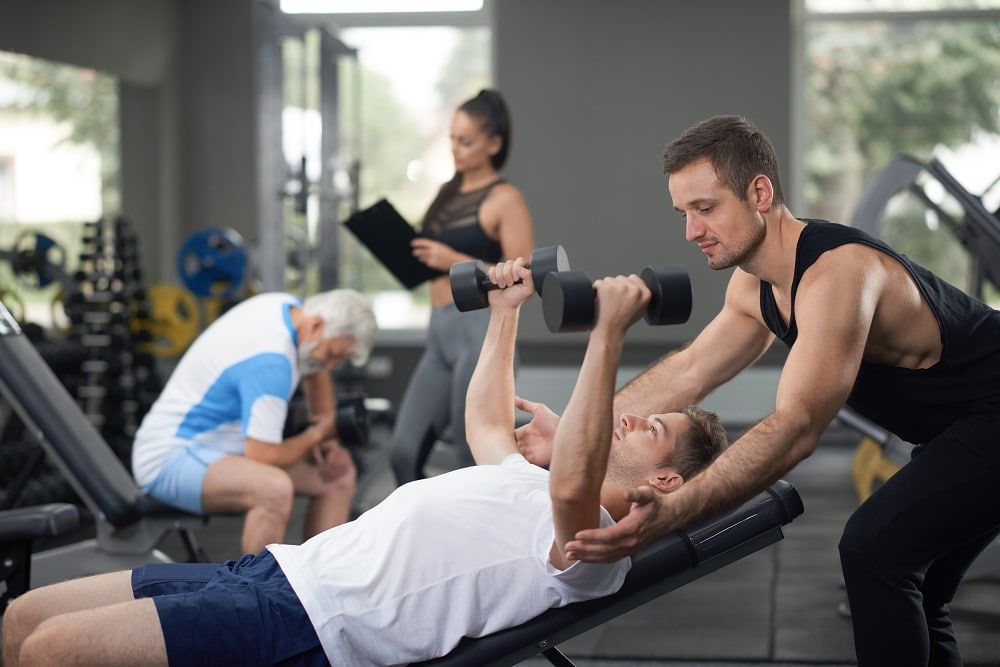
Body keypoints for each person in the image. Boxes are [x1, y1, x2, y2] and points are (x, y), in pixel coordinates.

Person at [3, 258, 728, 667]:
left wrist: (607, 335)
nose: (635, 415)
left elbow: (577, 475)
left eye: (653, 428)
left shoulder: (593, 543)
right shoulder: (529, 483)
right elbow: (483, 418)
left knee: (51, 650)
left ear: (665, 481)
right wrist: (505, 310)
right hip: (275, 569)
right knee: (22, 616)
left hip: (301, 622)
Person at [513, 114, 1000, 667]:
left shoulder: (838, 274)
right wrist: (579, 431)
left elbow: (796, 426)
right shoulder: (757, 282)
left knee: (874, 551)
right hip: (960, 431)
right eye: (683, 214)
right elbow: (690, 371)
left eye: (705, 208)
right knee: (918, 584)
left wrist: (674, 510)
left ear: (759, 192)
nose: (692, 231)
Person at [130, 289, 378, 556]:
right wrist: (318, 434)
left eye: (338, 360)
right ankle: (256, 593)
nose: (330, 366)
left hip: (223, 450)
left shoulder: (292, 309)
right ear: (316, 326)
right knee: (273, 488)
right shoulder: (271, 363)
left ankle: (318, 582)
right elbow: (263, 455)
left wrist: (331, 443)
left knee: (338, 474)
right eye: (332, 354)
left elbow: (315, 372)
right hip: (170, 457)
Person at [390, 87, 535, 485]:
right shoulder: (446, 193)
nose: (455, 148)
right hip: (439, 330)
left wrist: (451, 259)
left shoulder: (505, 199)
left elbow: (524, 273)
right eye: (453, 138)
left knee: (469, 460)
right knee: (404, 451)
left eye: (465, 141)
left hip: (478, 331)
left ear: (493, 144)